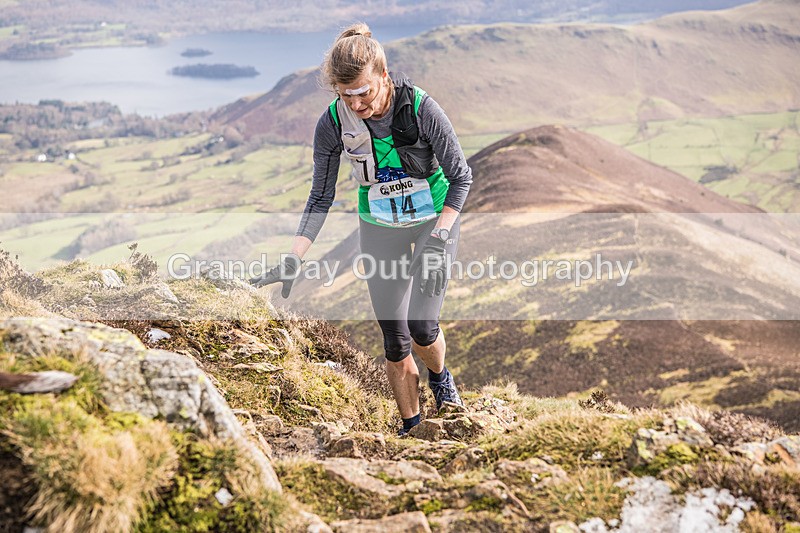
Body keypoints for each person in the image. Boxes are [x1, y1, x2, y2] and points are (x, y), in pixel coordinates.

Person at [250, 22, 473, 436]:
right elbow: (320, 196)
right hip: (380, 224)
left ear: (383, 77)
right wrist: (293, 258)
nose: (356, 103)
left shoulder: (422, 109)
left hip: (432, 221)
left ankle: (441, 378)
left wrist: (441, 237)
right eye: (345, 94)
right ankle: (411, 426)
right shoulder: (332, 123)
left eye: (364, 92)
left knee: (423, 328)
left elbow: (461, 178)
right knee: (395, 338)